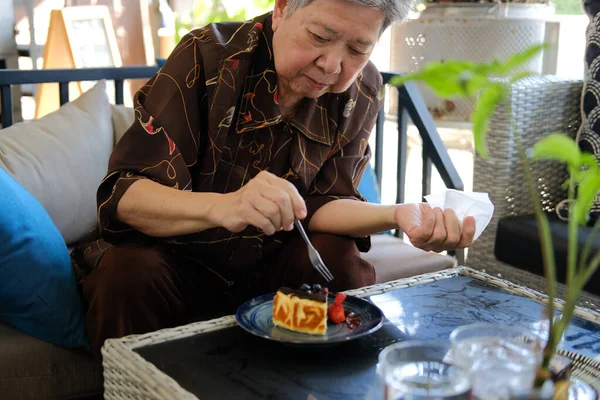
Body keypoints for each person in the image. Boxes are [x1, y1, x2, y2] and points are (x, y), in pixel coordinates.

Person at [80, 0, 476, 357]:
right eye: (320, 36)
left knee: (339, 259)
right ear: (283, 9)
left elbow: (323, 204)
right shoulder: (207, 55)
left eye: (358, 49)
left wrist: (401, 215)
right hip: (173, 265)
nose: (332, 65)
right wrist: (225, 206)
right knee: (126, 275)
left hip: (272, 270)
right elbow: (124, 194)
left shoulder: (363, 89)